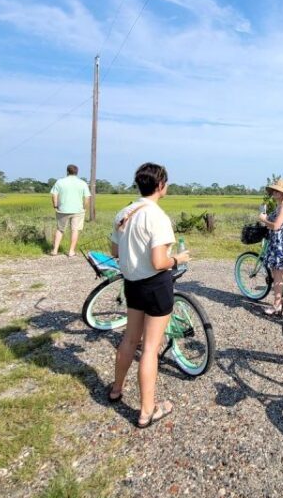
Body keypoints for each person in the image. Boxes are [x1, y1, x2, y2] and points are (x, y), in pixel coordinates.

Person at [107, 162, 190, 428]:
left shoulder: (125, 212)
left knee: (129, 339)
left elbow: (114, 252)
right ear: (160, 184)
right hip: (155, 285)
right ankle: (147, 411)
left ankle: (116, 389)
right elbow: (159, 262)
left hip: (132, 284)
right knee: (151, 348)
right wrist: (178, 259)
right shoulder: (157, 216)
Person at [258, 177, 283, 315]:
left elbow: (276, 226)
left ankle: (276, 305)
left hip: (281, 243)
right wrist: (266, 216)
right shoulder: (282, 204)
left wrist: (263, 219)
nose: (273, 193)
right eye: (273, 191)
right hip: (279, 241)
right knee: (282, 273)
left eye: (276, 191)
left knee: (278, 274)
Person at [49, 164, 91, 257]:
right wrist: (84, 207)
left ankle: (55, 250)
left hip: (62, 209)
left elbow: (54, 194)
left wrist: (55, 206)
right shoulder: (82, 183)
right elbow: (87, 197)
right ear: (77, 172)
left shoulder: (60, 182)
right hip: (78, 210)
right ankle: (71, 251)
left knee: (60, 229)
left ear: (67, 171)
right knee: (75, 230)